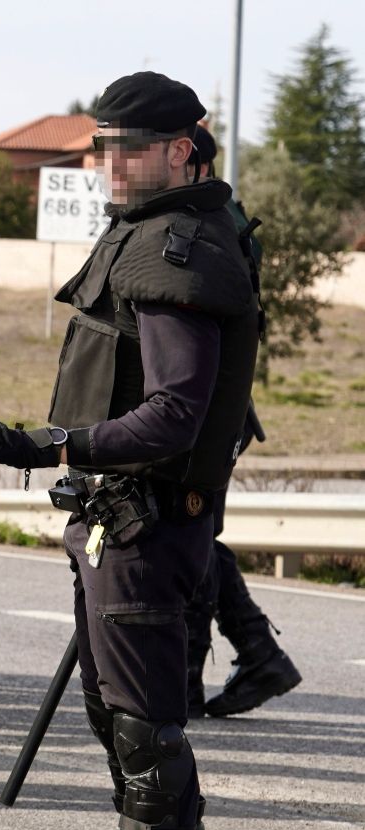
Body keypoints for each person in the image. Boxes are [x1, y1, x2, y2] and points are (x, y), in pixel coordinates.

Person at [0, 72, 255, 830]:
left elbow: (172, 414)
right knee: (122, 714)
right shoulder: (156, 231)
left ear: (184, 149)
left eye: (130, 148)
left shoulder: (179, 246)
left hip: (147, 520)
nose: (111, 164)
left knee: (140, 726)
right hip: (122, 516)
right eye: (102, 147)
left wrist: (47, 444)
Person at [183, 126, 302, 718]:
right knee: (195, 535)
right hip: (211, 405)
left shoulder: (214, 220)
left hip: (209, 408)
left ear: (191, 161)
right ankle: (256, 654)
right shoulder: (215, 214)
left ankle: (199, 670)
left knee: (191, 532)